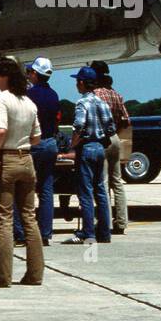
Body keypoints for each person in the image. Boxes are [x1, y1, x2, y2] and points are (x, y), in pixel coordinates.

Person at [0, 56, 43, 286]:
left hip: (7, 159)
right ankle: (35, 273)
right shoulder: (28, 102)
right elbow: (36, 138)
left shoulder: (1, 99)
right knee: (29, 217)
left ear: (5, 76)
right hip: (27, 159)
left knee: (4, 220)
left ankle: (3, 275)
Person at [63, 67, 115, 245]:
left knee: (85, 192)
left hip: (86, 147)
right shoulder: (102, 103)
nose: (76, 84)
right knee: (100, 190)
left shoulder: (82, 103)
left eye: (78, 81)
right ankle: (104, 232)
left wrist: (72, 145)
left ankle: (87, 232)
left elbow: (79, 126)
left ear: (83, 83)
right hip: (100, 147)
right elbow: (111, 128)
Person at [14, 57, 60, 246]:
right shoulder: (54, 95)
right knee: (47, 190)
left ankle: (21, 233)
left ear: (34, 74)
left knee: (22, 189)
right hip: (50, 143)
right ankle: (45, 233)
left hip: (34, 144)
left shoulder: (29, 95)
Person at [90, 60, 131, 235]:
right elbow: (126, 120)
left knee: (102, 181)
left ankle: (104, 222)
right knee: (117, 181)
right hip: (114, 137)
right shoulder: (116, 94)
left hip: (100, 138)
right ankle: (121, 222)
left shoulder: (94, 94)